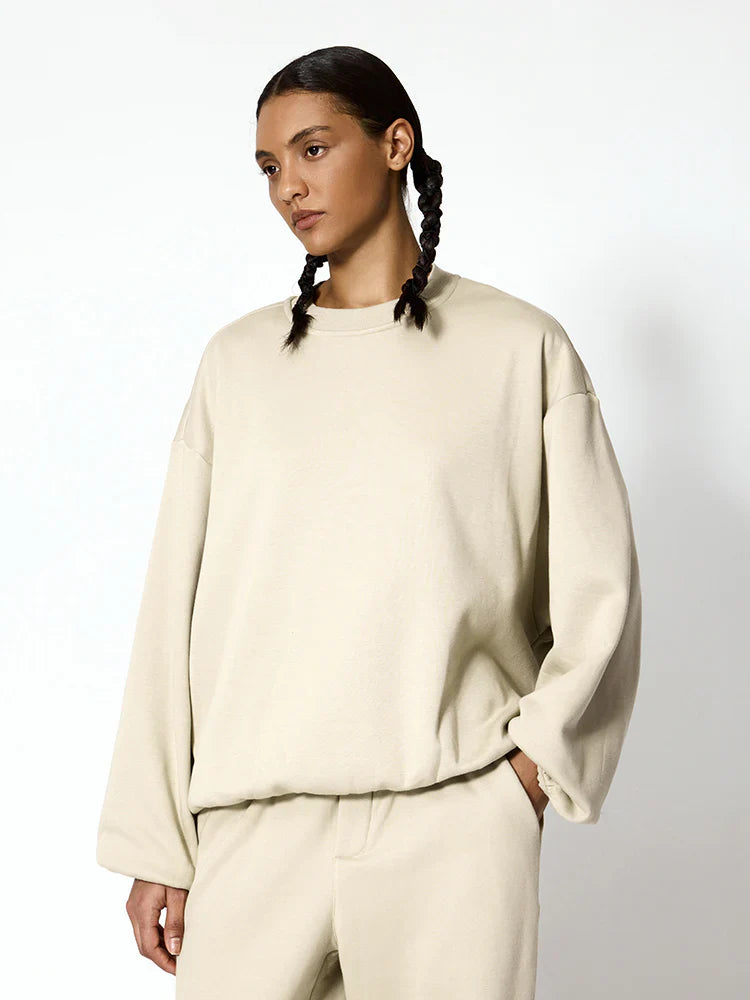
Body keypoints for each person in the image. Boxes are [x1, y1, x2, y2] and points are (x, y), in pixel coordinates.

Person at [96, 45, 642, 999]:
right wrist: (156, 841)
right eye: (269, 166)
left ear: (396, 145)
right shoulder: (238, 366)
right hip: (254, 829)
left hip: (450, 828)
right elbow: (171, 612)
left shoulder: (519, 348)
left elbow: (602, 595)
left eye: (313, 149)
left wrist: (521, 778)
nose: (288, 187)